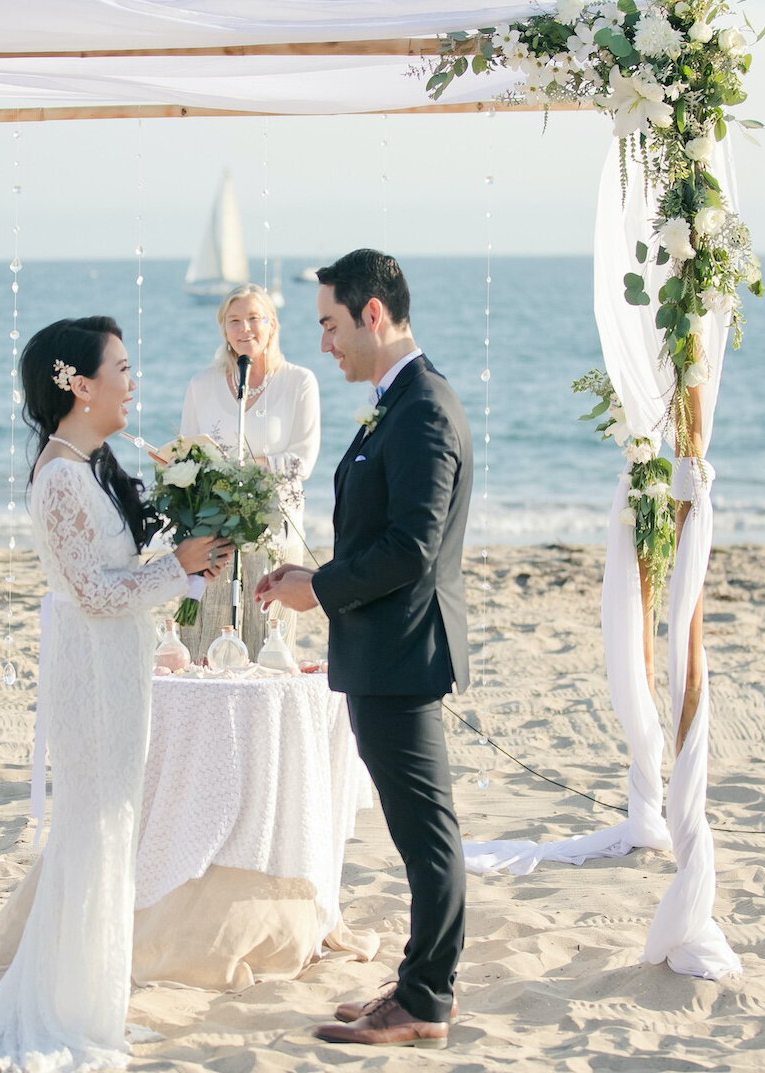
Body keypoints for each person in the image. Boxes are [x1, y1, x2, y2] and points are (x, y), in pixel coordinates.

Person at [0, 317, 232, 1072]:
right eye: (121, 368)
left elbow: (117, 573)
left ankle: (95, 1001)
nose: (133, 381)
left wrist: (187, 565)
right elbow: (92, 591)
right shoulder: (59, 475)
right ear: (79, 385)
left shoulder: (94, 465)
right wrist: (174, 569)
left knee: (115, 825)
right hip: (91, 671)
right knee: (94, 825)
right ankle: (68, 1006)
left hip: (120, 663)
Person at [255, 250, 472, 1049]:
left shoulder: (422, 409)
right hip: (382, 648)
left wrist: (323, 587)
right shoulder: (397, 401)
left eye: (330, 324)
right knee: (418, 830)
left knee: (426, 832)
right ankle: (420, 983)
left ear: (372, 314)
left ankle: (426, 1002)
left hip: (403, 652)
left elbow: (412, 548)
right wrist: (315, 576)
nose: (324, 344)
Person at [179, 282, 320, 661]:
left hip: (275, 531)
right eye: (234, 320)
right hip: (213, 535)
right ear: (223, 329)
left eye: (254, 319)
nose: (245, 329)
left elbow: (301, 461)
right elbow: (186, 458)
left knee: (266, 653)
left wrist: (238, 470)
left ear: (272, 324)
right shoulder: (201, 386)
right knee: (204, 650)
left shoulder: (298, 382)